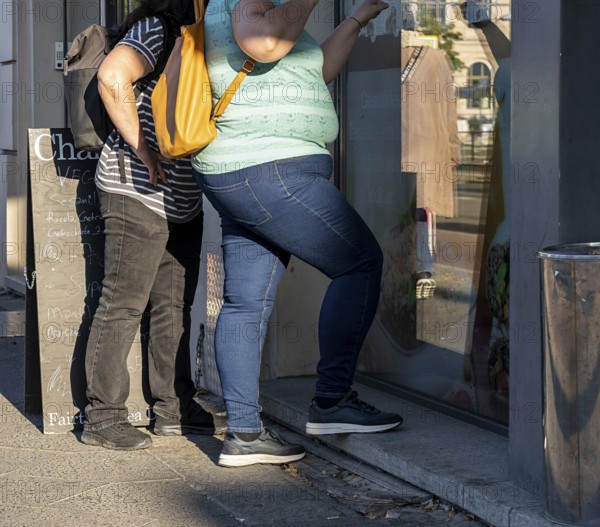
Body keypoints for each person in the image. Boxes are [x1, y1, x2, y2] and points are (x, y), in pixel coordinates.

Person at [193, 0, 403, 468]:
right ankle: (331, 400)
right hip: (271, 171)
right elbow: (263, 43)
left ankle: (245, 434)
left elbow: (313, 74)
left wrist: (357, 18)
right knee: (360, 263)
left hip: (243, 172)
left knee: (245, 301)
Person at [81, 0, 216, 450]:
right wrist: (142, 148)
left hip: (182, 197)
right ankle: (102, 417)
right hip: (135, 189)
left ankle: (173, 408)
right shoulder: (160, 29)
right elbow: (111, 76)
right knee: (122, 304)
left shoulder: (207, 37)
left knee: (174, 308)